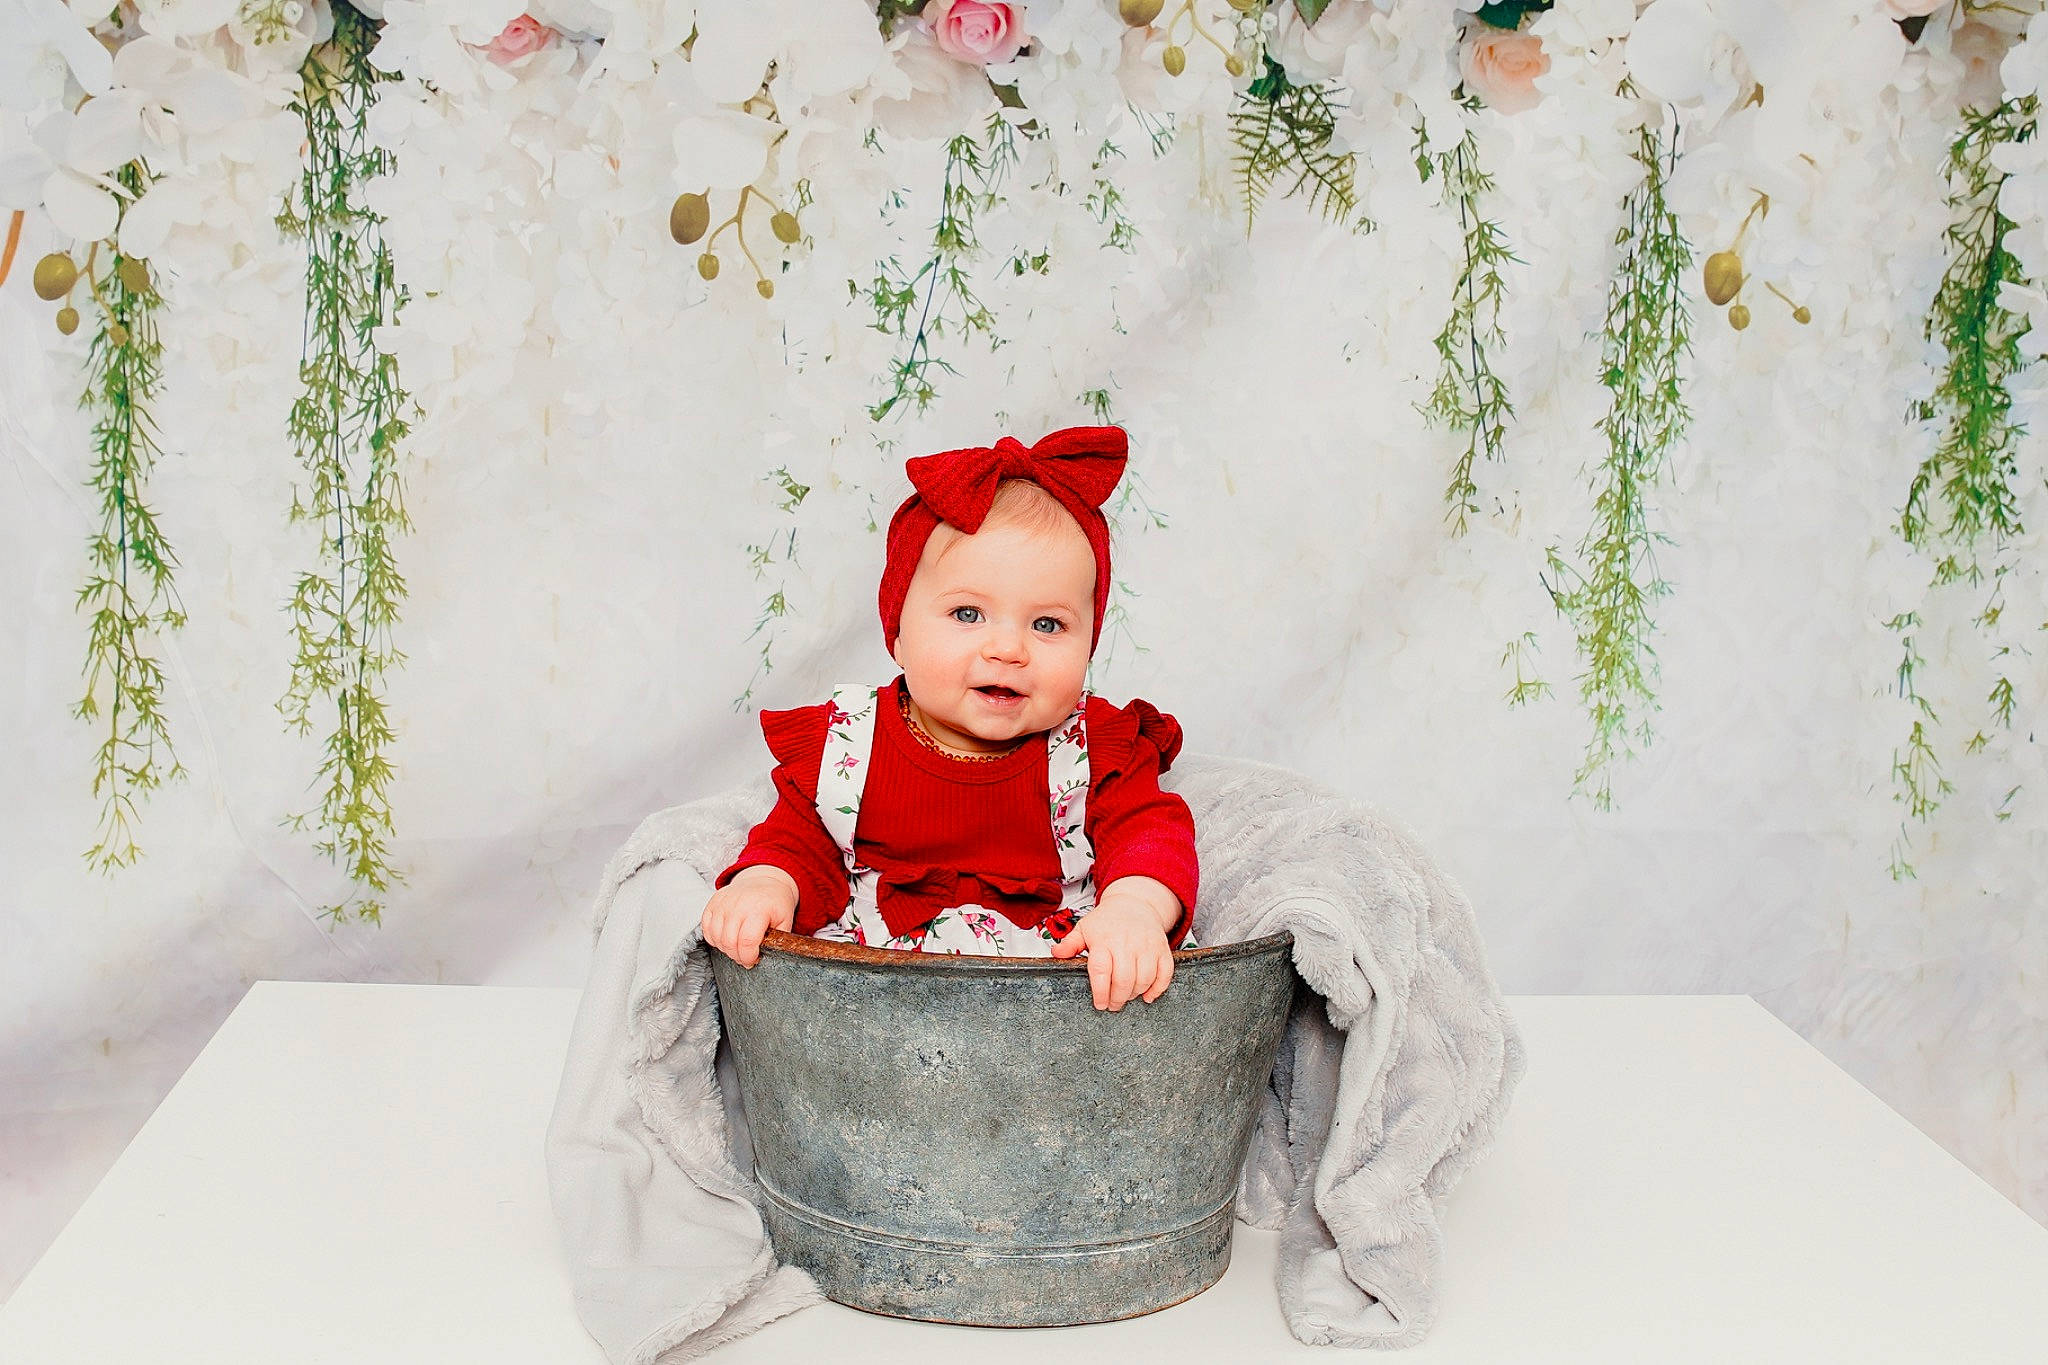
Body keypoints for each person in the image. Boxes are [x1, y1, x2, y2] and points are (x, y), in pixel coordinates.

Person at [699, 425, 1199, 1011]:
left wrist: (1135, 908)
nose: (1008, 650)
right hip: (879, 997)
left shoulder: (1094, 751)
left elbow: (1151, 834)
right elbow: (802, 841)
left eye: (1048, 625)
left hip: (1055, 1003)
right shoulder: (849, 746)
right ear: (899, 634)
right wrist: (768, 884)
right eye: (968, 613)